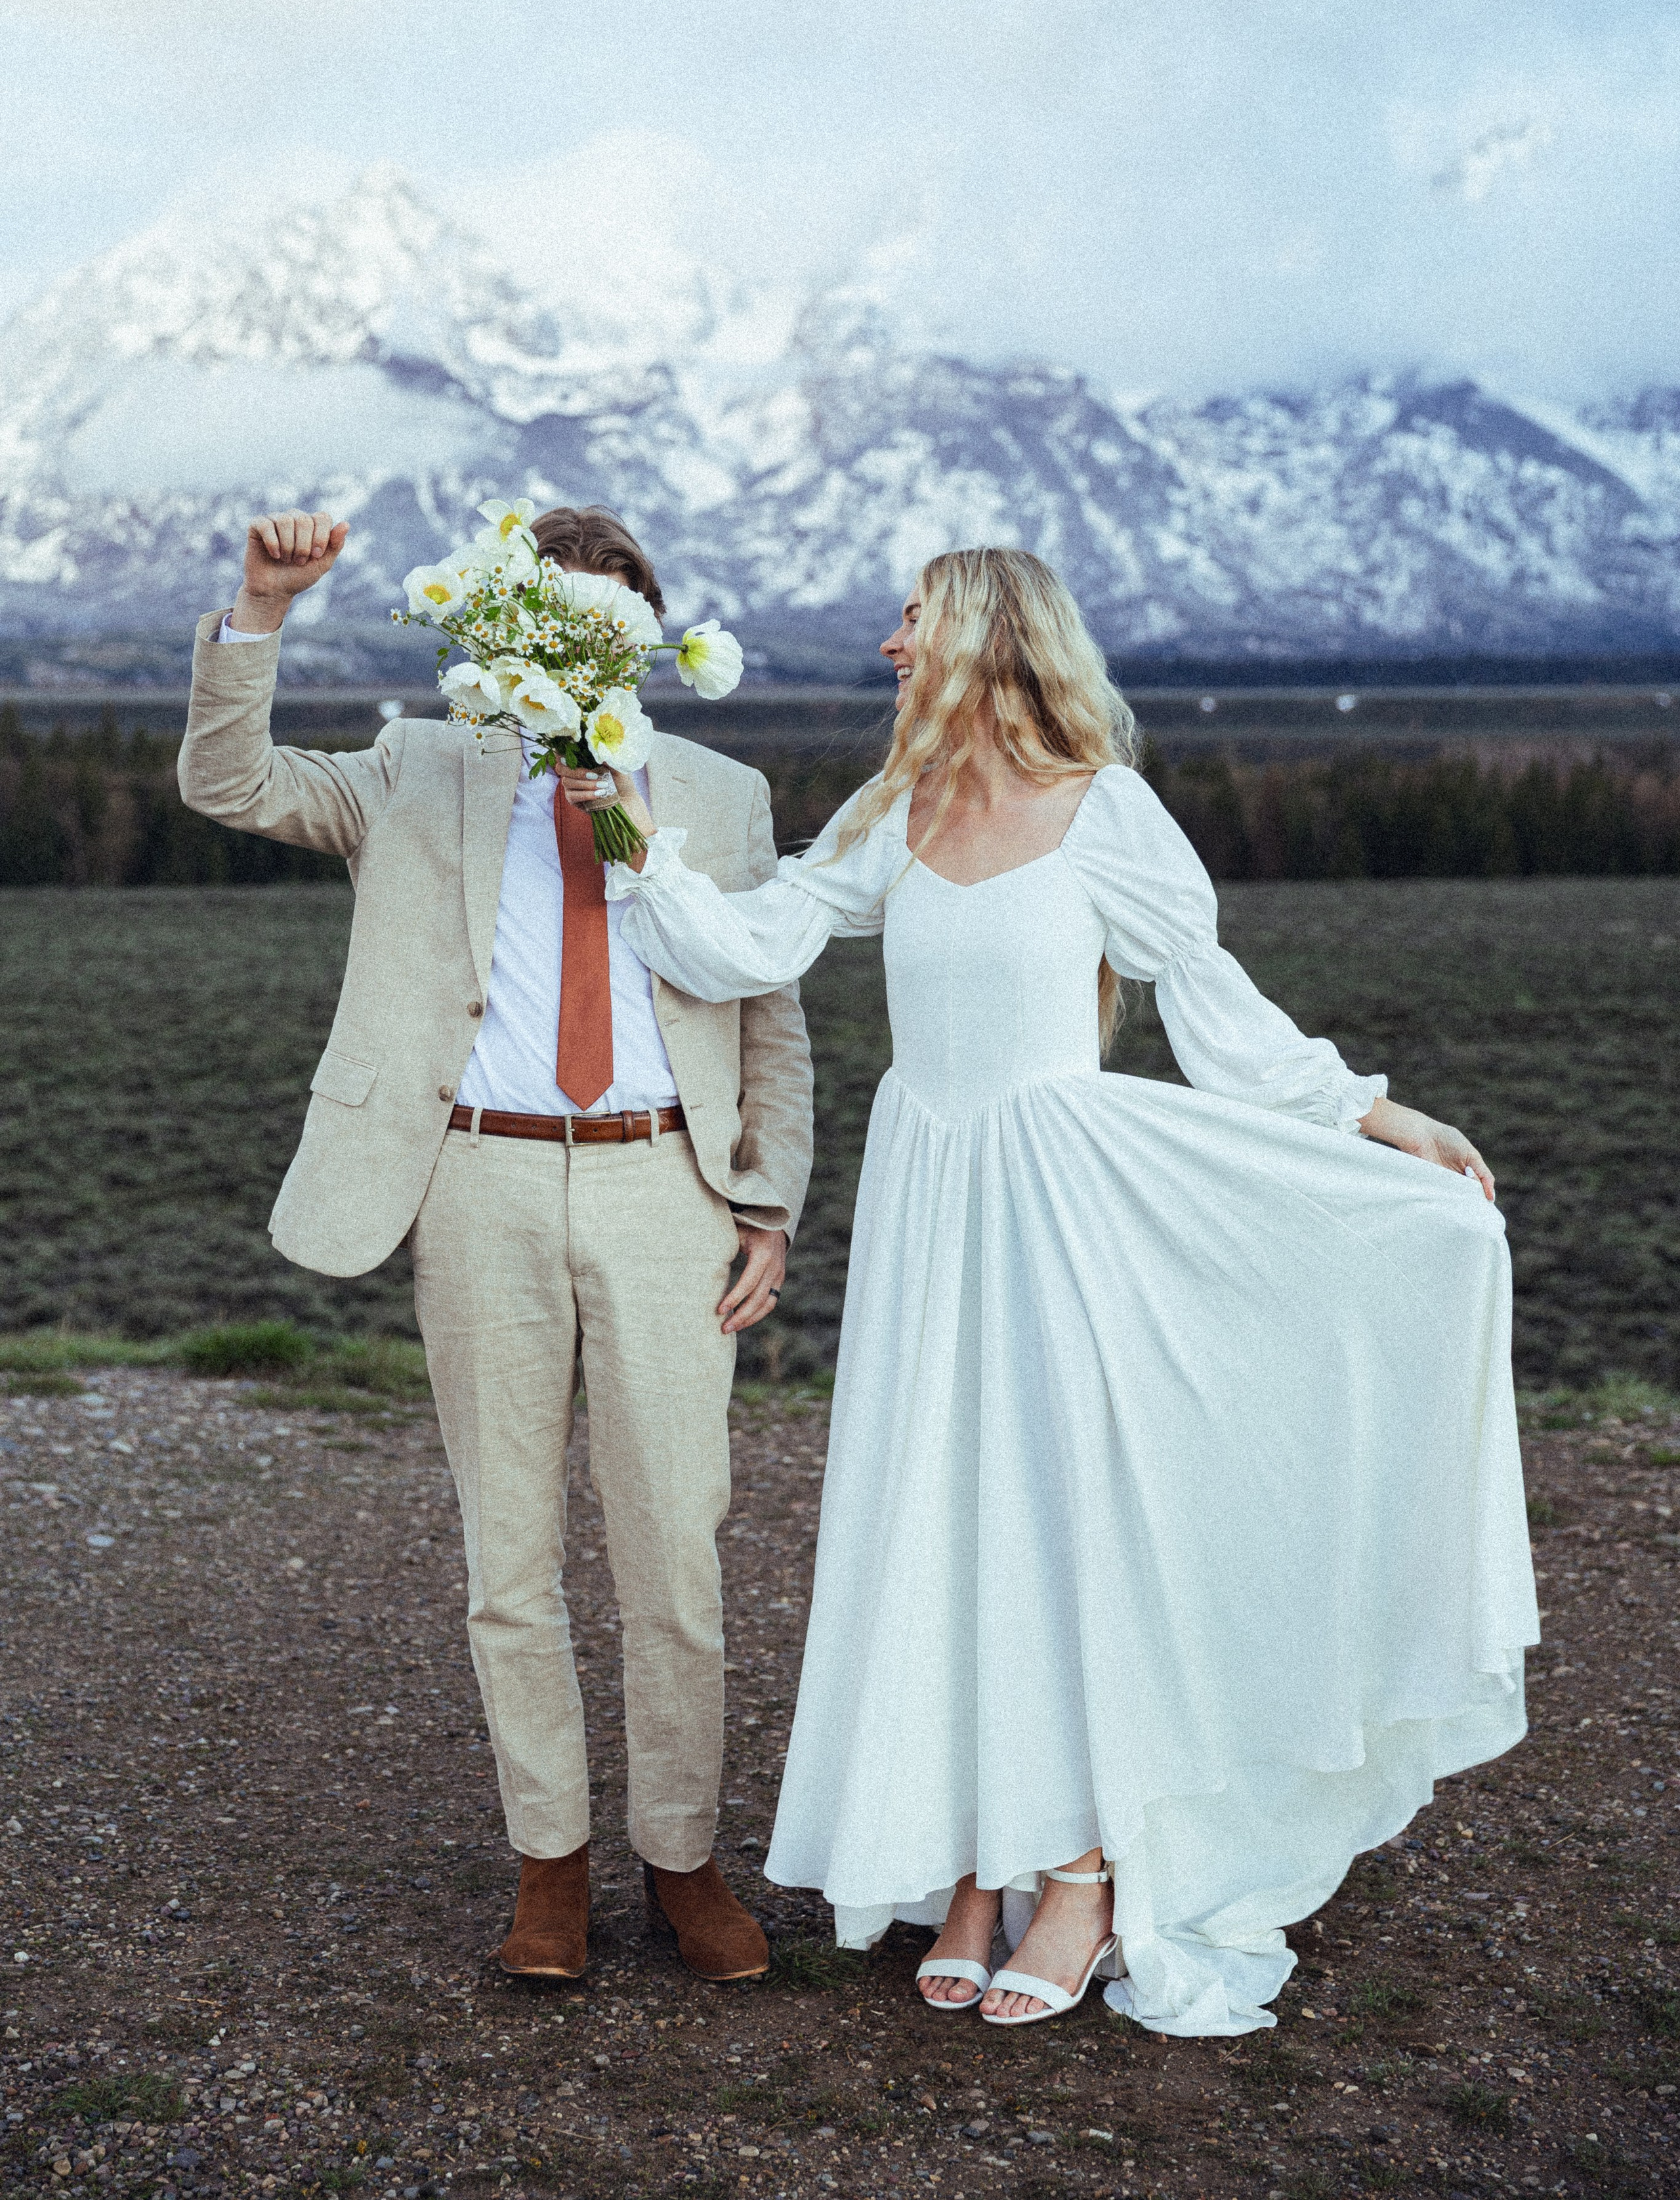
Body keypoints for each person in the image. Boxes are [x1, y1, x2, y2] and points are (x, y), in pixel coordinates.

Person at [578, 545, 1537, 2037]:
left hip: (1060, 1194)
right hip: (928, 1193)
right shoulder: (891, 811)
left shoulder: (1103, 806)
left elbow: (1215, 1010)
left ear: (980, 634)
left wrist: (1370, 1115)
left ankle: (1079, 1868)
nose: (888, 640)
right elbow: (748, 941)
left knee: (1062, 1515)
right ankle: (973, 1861)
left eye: (911, 616)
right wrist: (632, 830)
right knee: (942, 1511)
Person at [178, 503, 814, 1987]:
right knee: (505, 1552)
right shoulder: (419, 767)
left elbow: (771, 1007)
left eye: (603, 617)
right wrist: (261, 610)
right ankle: (549, 1866)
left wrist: (766, 1199)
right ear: (500, 633)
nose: (573, 642)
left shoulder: (721, 792)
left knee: (675, 1548)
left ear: (643, 629)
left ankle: (681, 1859)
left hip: (669, 1192)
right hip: (476, 1187)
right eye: (548, 616)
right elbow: (230, 781)